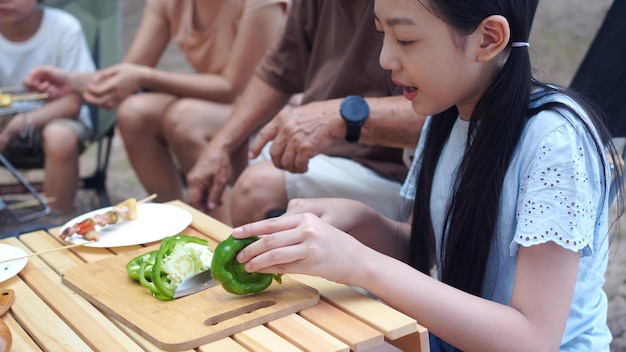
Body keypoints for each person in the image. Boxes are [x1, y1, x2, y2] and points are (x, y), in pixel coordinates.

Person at [225, 0, 624, 350]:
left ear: (488, 38)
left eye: (405, 40)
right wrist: (361, 221)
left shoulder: (557, 142)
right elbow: (433, 248)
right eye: (383, 34)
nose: (386, 59)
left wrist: (360, 263)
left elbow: (533, 340)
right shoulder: (446, 114)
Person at [24, 0, 289, 222]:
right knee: (133, 112)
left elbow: (232, 86)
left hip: (267, 103)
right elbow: (131, 70)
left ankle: (222, 231)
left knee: (185, 117)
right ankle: (176, 219)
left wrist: (143, 77)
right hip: (213, 99)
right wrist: (74, 81)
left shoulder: (259, 3)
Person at [186, 0, 424, 227]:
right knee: (204, 134)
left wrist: (341, 116)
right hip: (327, 150)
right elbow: (278, 72)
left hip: (396, 171)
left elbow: (435, 114)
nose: (386, 60)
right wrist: (221, 146)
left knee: (256, 188)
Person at [0, 0, 95, 214]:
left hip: (56, 115)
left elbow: (73, 102)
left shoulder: (63, 27)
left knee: (60, 136)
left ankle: (56, 220)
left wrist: (16, 125)